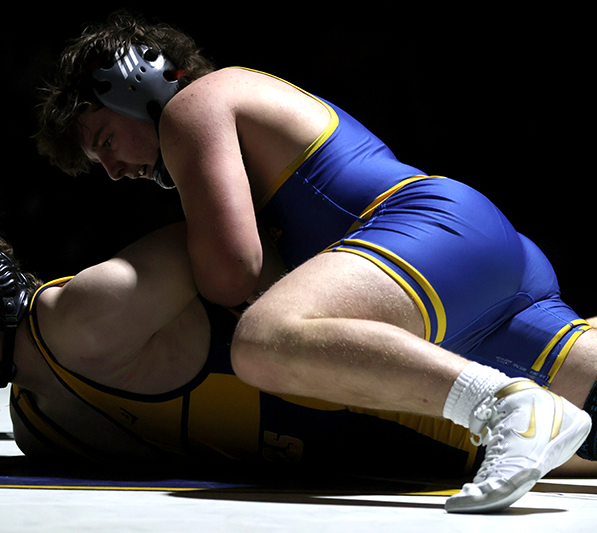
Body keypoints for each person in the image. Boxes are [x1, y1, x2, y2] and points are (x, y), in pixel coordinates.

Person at [34, 11, 597, 512]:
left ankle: (502, 405)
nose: (114, 171)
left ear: (135, 83)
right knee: (585, 421)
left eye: (105, 140)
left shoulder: (193, 106)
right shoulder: (235, 112)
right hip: (465, 265)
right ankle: (520, 406)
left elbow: (230, 275)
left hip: (429, 232)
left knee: (263, 341)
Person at [0, 218, 592, 486]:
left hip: (413, 374)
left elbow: (251, 238)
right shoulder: (35, 421)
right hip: (375, 444)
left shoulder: (88, 311)